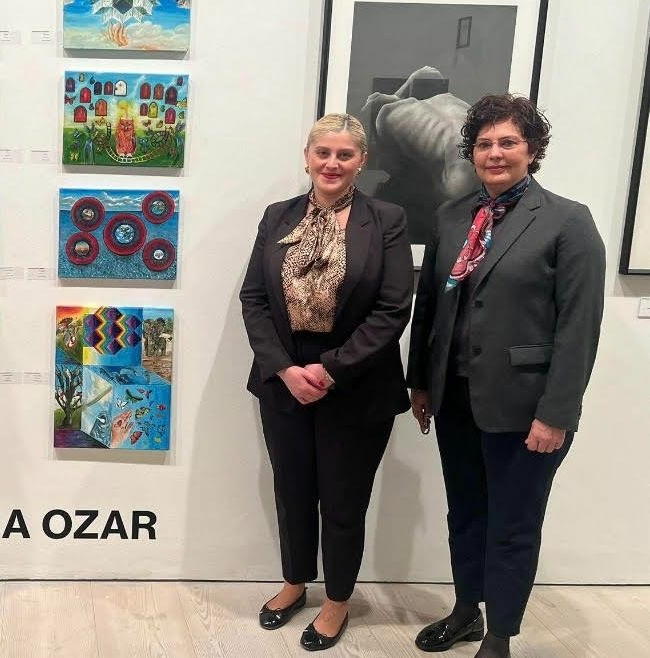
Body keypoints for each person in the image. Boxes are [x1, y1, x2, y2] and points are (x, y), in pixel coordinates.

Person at [407, 95, 605, 658]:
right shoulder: (451, 216)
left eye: (508, 142)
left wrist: (556, 413)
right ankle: (466, 612)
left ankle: (500, 636)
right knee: (465, 513)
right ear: (471, 152)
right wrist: (421, 382)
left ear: (532, 150)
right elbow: (430, 306)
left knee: (513, 524)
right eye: (484, 143)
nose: (495, 153)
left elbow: (579, 328)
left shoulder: (568, 221)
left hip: (525, 408)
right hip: (455, 399)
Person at [240, 113, 413, 652]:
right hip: (284, 378)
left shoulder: (386, 219)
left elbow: (392, 308)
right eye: (323, 152)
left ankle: (337, 599)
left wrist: (332, 368)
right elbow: (254, 298)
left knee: (342, 500)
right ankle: (295, 583)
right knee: (292, 491)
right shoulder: (277, 216)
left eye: (344, 154)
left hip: (356, 381)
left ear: (362, 161)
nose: (332, 163)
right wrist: (284, 369)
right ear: (307, 157)